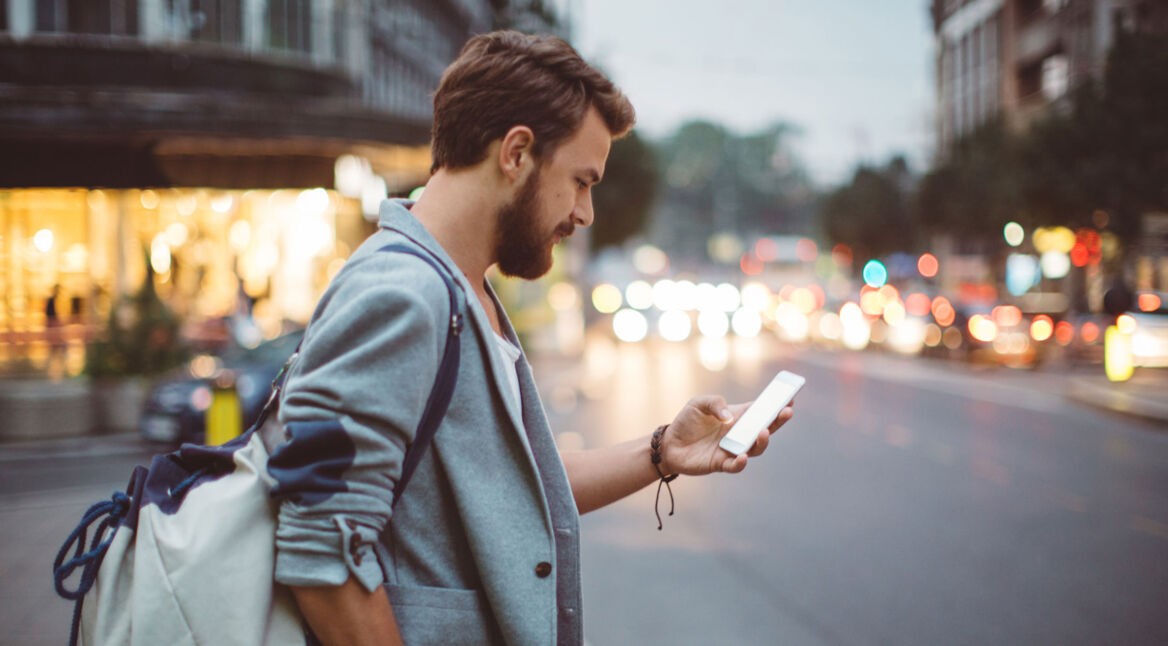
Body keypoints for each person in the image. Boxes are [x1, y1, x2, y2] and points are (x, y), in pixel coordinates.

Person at [267, 30, 795, 645]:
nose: (586, 212)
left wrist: (660, 452)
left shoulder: (461, 289)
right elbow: (320, 549)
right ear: (516, 152)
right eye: (581, 180)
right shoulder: (399, 293)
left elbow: (505, 491)